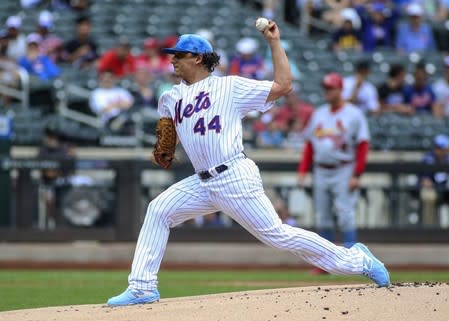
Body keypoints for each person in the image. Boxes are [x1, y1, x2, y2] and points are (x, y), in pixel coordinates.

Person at [106, 20, 390, 307]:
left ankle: (358, 260)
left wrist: (274, 42)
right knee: (158, 210)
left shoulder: (230, 86)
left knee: (278, 236)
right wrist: (165, 148)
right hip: (201, 182)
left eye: (178, 55)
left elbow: (283, 85)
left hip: (233, 176)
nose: (172, 59)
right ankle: (142, 288)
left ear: (197, 58)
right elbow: (171, 139)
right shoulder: (170, 97)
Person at [297, 72, 370, 268]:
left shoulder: (354, 114)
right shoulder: (319, 113)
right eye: (326, 88)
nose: (327, 91)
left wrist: (357, 174)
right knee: (323, 216)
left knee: (346, 214)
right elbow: (310, 145)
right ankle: (325, 264)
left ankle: (355, 261)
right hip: (320, 170)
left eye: (331, 88)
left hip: (344, 169)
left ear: (340, 90)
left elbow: (363, 145)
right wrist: (303, 170)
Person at [419, 134, 449, 226]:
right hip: (433, 189)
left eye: (443, 148)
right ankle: (428, 229)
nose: (441, 151)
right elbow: (423, 179)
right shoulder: (427, 159)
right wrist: (427, 182)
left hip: (446, 190)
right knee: (428, 196)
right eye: (439, 148)